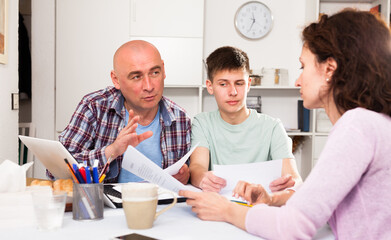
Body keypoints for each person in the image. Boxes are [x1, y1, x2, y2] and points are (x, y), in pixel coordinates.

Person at [180, 9, 391, 239]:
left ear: (329, 69)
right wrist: (271, 199)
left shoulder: (357, 126)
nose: (298, 80)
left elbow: (293, 226)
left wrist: (226, 210)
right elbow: (315, 203)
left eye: (303, 66)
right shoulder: (371, 123)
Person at [59, 40, 191, 184]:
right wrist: (112, 150)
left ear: (163, 70)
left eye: (154, 72)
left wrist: (186, 176)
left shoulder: (180, 119)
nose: (149, 86)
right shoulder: (94, 107)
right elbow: (57, 170)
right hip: (106, 206)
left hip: (160, 205)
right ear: (116, 79)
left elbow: (188, 175)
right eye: (136, 77)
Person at [189, 46, 302, 206]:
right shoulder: (202, 123)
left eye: (239, 83)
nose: (233, 91)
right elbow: (197, 167)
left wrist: (288, 184)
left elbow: (295, 179)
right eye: (223, 84)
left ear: (248, 84)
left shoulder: (272, 127)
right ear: (210, 86)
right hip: (218, 207)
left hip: (260, 208)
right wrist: (203, 179)